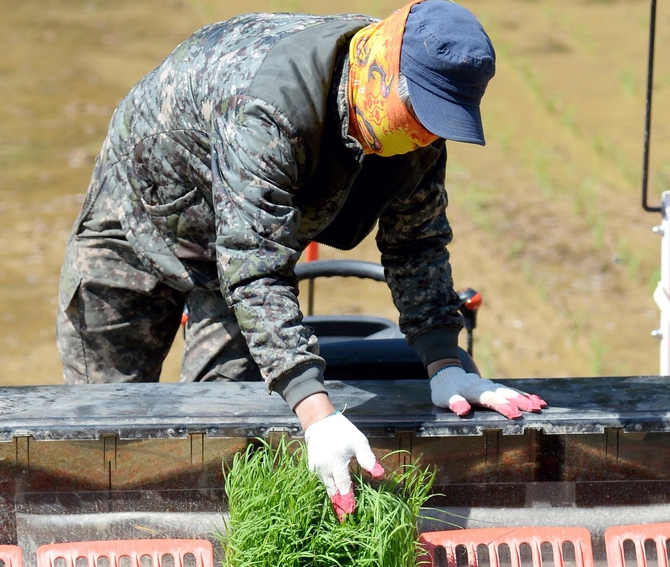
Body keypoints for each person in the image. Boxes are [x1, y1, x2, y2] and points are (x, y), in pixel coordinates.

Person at [56, 0, 546, 519]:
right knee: (107, 428)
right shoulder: (273, 106)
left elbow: (416, 242)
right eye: (421, 114)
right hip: (145, 213)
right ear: (379, 72)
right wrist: (317, 411)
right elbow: (254, 265)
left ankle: (203, 542)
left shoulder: (414, 134)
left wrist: (445, 362)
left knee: (228, 423)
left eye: (440, 122)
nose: (426, 136)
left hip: (248, 239)